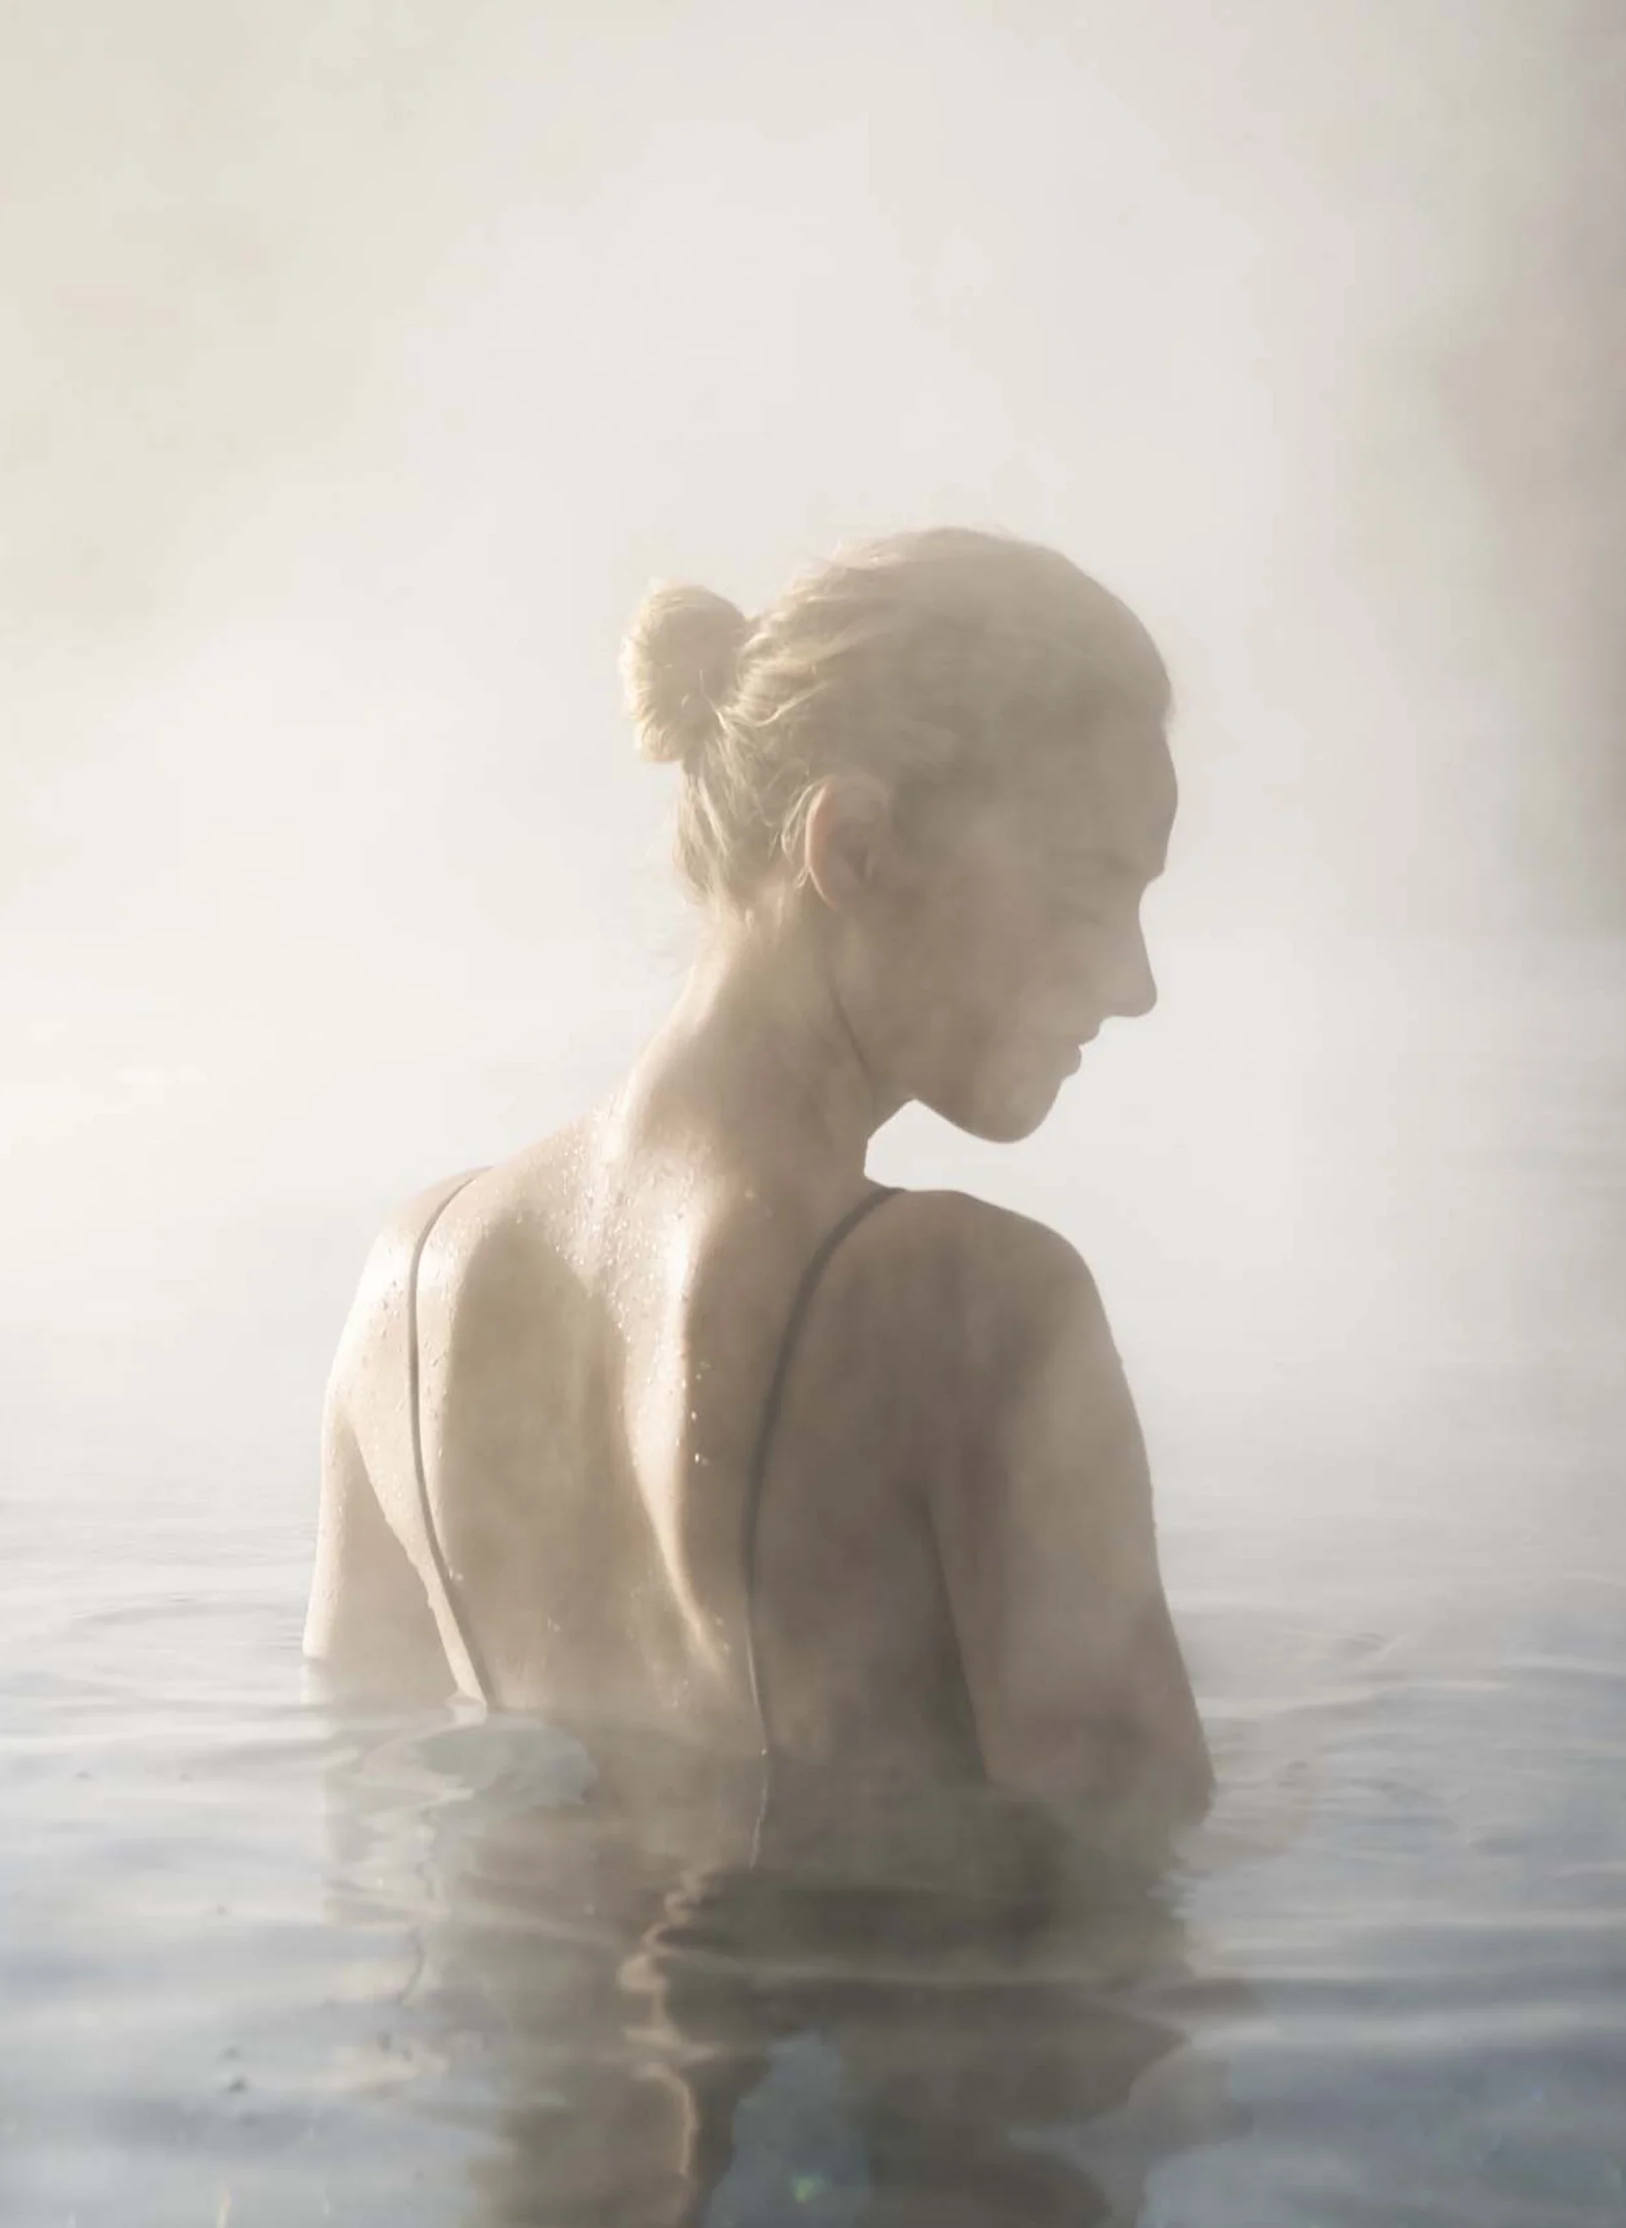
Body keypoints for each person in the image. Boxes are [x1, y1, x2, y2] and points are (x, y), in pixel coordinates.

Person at [305, 527, 1213, 1842]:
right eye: (1086, 892)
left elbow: (365, 1795)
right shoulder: (973, 1308)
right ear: (851, 848)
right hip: (895, 2035)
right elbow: (1131, 1871)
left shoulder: (410, 1279)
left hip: (519, 2045)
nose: (1134, 984)